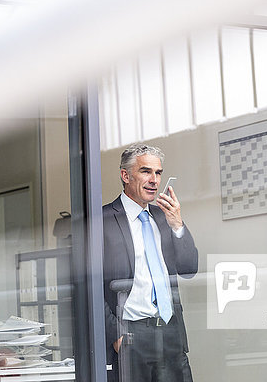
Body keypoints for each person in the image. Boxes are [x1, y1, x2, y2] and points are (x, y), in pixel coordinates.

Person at [103, 143, 198, 382]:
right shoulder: (101, 221)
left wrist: (177, 223)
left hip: (171, 331)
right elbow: (88, 288)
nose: (154, 180)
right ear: (125, 175)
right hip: (131, 334)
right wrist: (117, 337)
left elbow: (189, 269)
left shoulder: (164, 218)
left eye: (158, 173)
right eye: (146, 171)